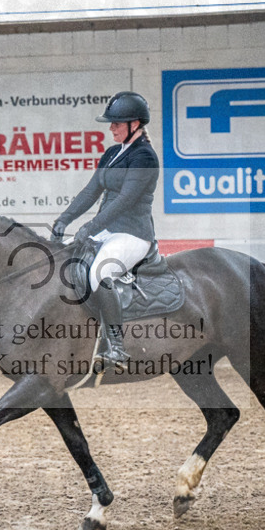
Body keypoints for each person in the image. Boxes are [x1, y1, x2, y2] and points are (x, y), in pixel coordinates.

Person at [52, 91, 159, 364]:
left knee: (100, 273)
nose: (111, 128)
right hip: (107, 231)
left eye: (116, 123)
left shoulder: (145, 157)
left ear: (135, 124)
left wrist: (90, 226)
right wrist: (64, 219)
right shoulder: (113, 153)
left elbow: (125, 201)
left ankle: (117, 348)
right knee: (59, 263)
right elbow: (90, 192)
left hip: (132, 233)